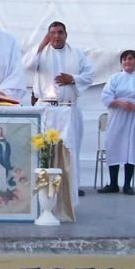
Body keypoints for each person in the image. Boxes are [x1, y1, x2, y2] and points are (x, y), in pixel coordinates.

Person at [23, 21, 94, 199]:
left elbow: (90, 75)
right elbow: (26, 65)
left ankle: (72, 186)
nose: (56, 36)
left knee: (71, 148)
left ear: (66, 34)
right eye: (52, 33)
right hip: (46, 108)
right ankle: (42, 183)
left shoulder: (76, 54)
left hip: (69, 109)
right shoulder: (40, 54)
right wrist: (41, 43)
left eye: (60, 32)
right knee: (43, 147)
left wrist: (73, 79)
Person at [98, 50, 135, 196]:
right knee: (114, 145)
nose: (127, 62)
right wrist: (120, 103)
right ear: (121, 63)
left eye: (130, 59)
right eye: (124, 59)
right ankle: (113, 184)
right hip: (118, 116)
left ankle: (128, 185)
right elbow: (106, 96)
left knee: (132, 148)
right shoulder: (114, 78)